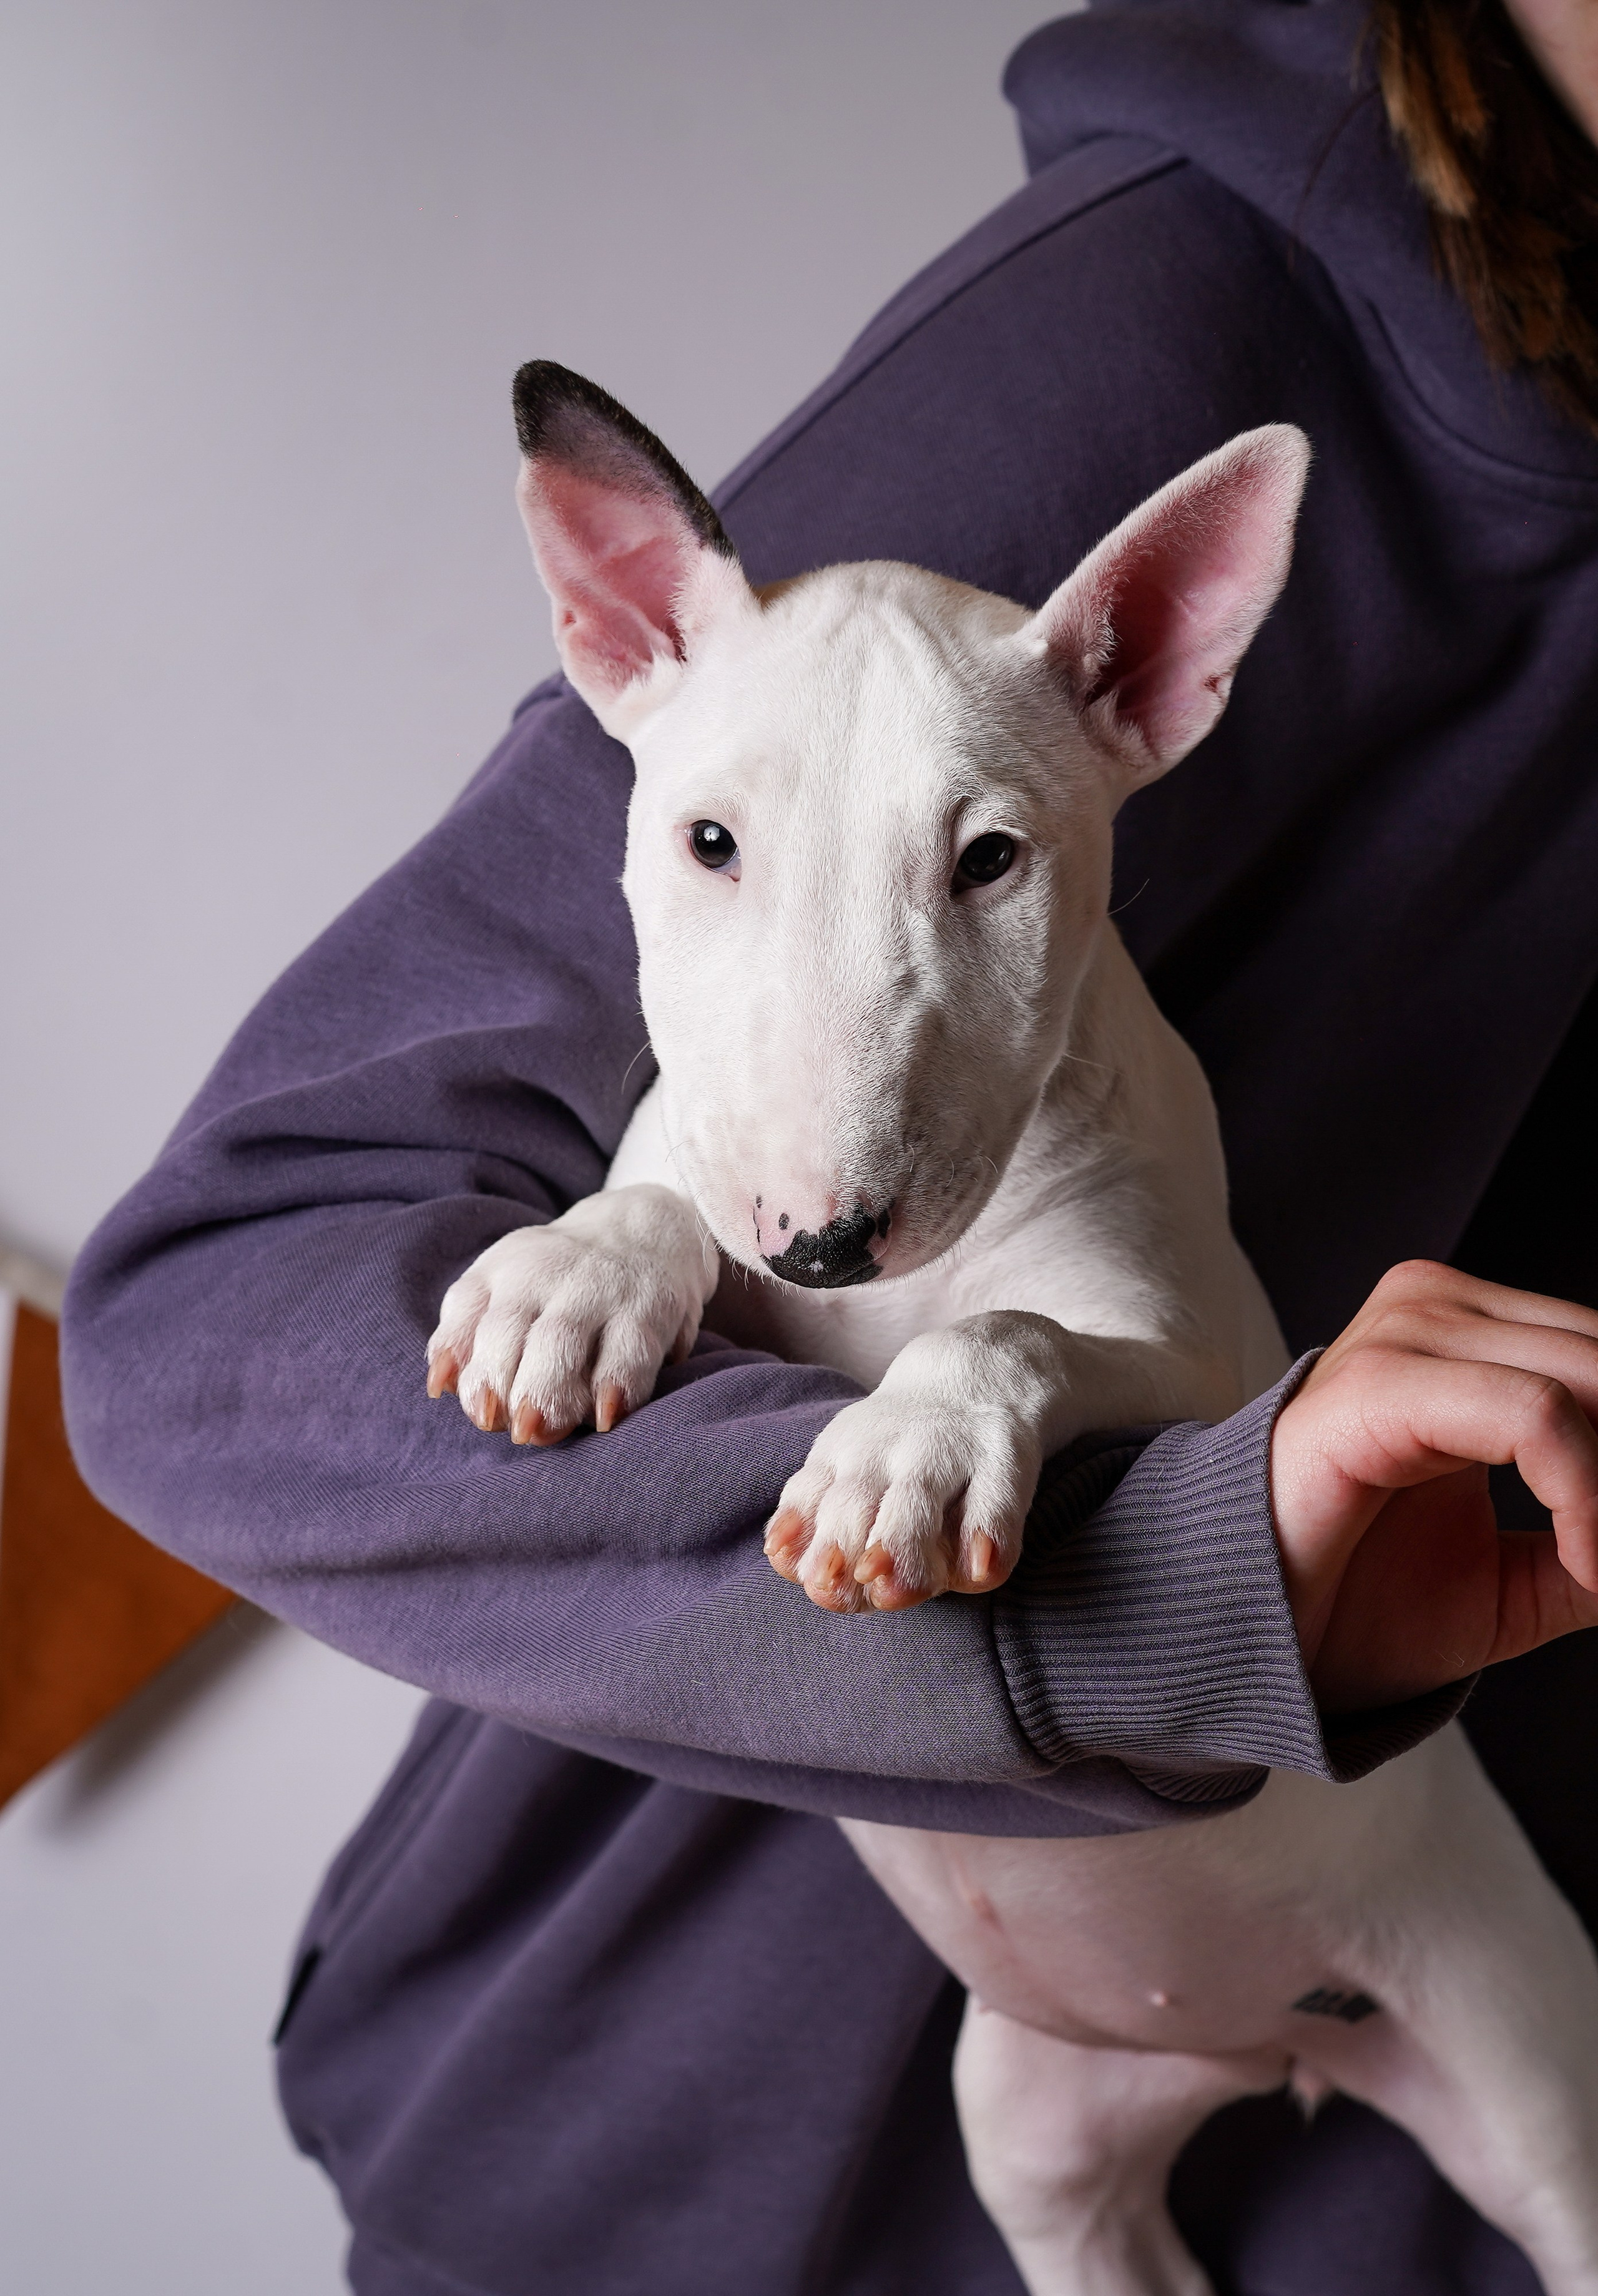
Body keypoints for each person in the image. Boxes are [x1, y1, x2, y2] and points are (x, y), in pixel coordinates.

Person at [60, 0, 1598, 2289]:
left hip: (1374, 1936)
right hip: (692, 2166)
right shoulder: (1151, 322)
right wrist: (652, 1249)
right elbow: (214, 1322)